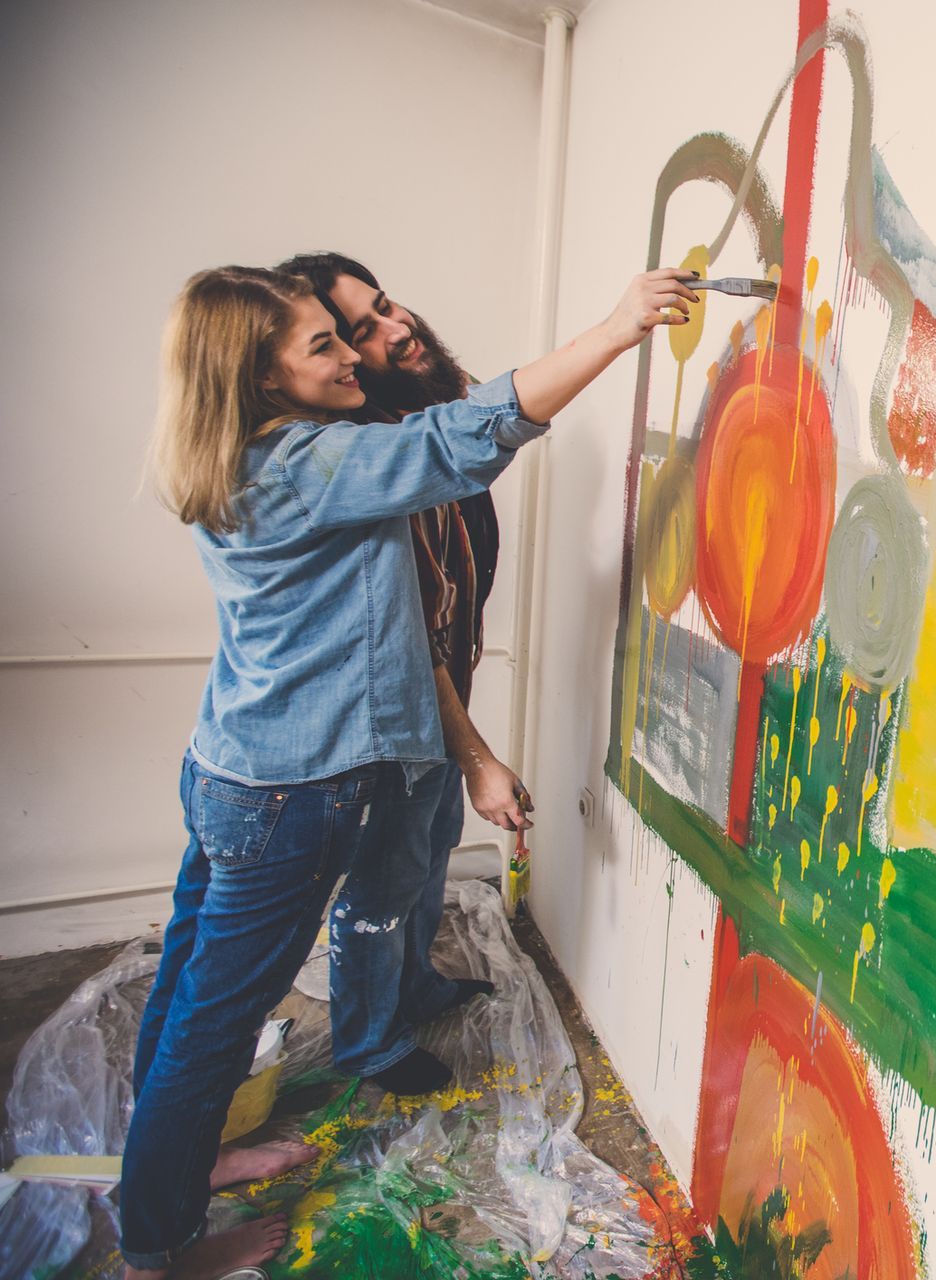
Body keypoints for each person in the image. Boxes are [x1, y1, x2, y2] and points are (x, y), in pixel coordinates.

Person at [128, 262, 694, 1279]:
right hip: (289, 796)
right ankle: (156, 1248)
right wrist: (616, 328)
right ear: (260, 378)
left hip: (228, 768)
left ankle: (186, 1165)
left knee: (188, 989)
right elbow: (460, 438)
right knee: (214, 1022)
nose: (352, 353)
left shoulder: (232, 453)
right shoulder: (306, 463)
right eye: (323, 344)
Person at [275, 252, 525, 1097]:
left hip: (440, 694)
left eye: (386, 305)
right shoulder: (369, 461)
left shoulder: (421, 413)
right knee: (385, 878)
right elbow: (412, 637)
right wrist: (477, 758)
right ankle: (368, 1041)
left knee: (426, 850)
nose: (395, 328)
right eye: (359, 330)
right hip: (395, 712)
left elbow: (493, 408)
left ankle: (413, 986)